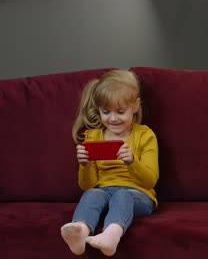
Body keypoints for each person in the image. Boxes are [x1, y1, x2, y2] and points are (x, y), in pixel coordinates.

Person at [61, 70, 159, 256]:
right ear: (98, 109)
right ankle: (81, 230)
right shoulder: (93, 136)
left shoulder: (145, 135)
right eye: (106, 112)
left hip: (138, 195)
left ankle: (111, 234)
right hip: (104, 191)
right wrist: (85, 164)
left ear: (136, 106)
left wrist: (132, 162)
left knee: (122, 195)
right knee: (92, 194)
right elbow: (87, 185)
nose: (113, 119)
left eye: (120, 112)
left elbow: (150, 181)